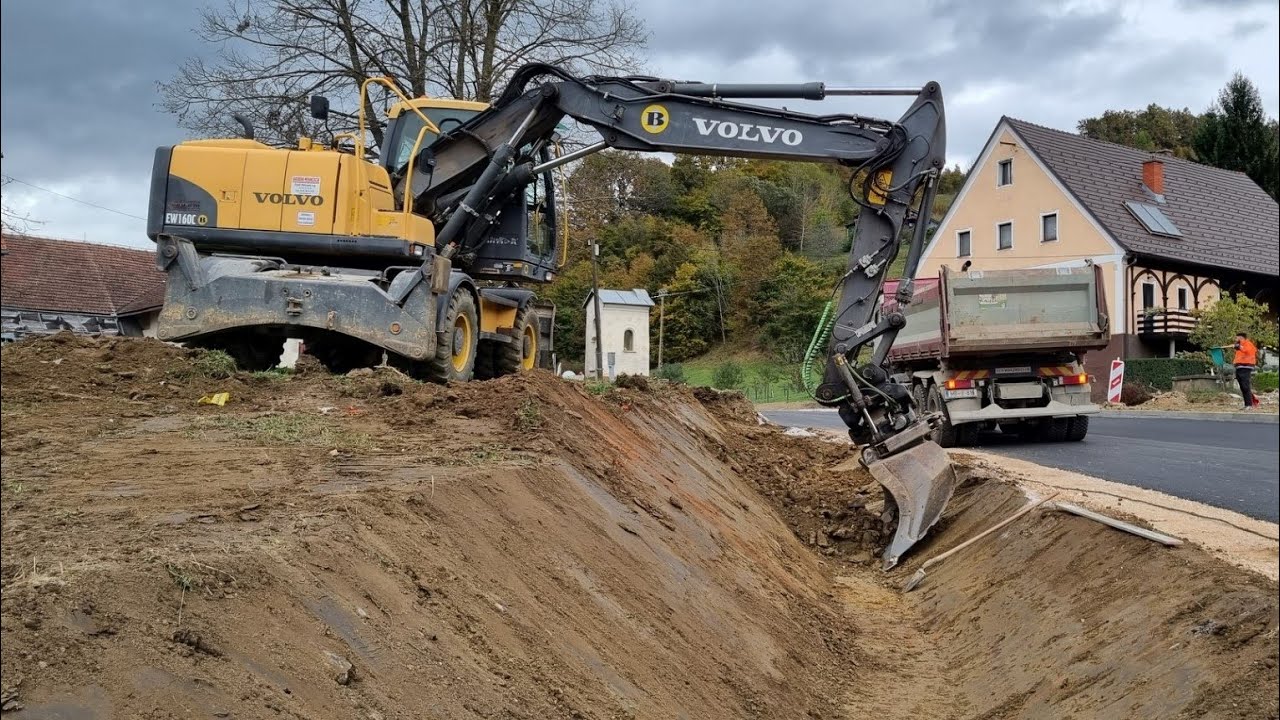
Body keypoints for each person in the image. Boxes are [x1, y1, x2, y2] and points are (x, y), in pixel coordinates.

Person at [1233, 331, 1258, 410]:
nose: (1235, 339)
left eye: (1236, 337)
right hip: (1239, 367)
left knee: (1245, 385)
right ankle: (1247, 404)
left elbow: (1247, 350)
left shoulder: (1248, 344)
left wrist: (1239, 347)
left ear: (1241, 337)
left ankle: (1249, 404)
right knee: (1242, 386)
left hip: (1246, 366)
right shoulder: (1240, 345)